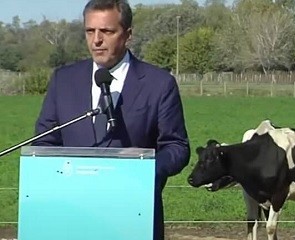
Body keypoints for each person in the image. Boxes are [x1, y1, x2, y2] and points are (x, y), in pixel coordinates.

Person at [32, 0, 190, 239]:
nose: (96, 40)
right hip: (72, 215)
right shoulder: (63, 81)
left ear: (127, 35)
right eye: (90, 31)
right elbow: (44, 142)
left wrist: (144, 173)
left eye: (106, 31)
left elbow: (176, 147)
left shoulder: (159, 84)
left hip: (134, 217)